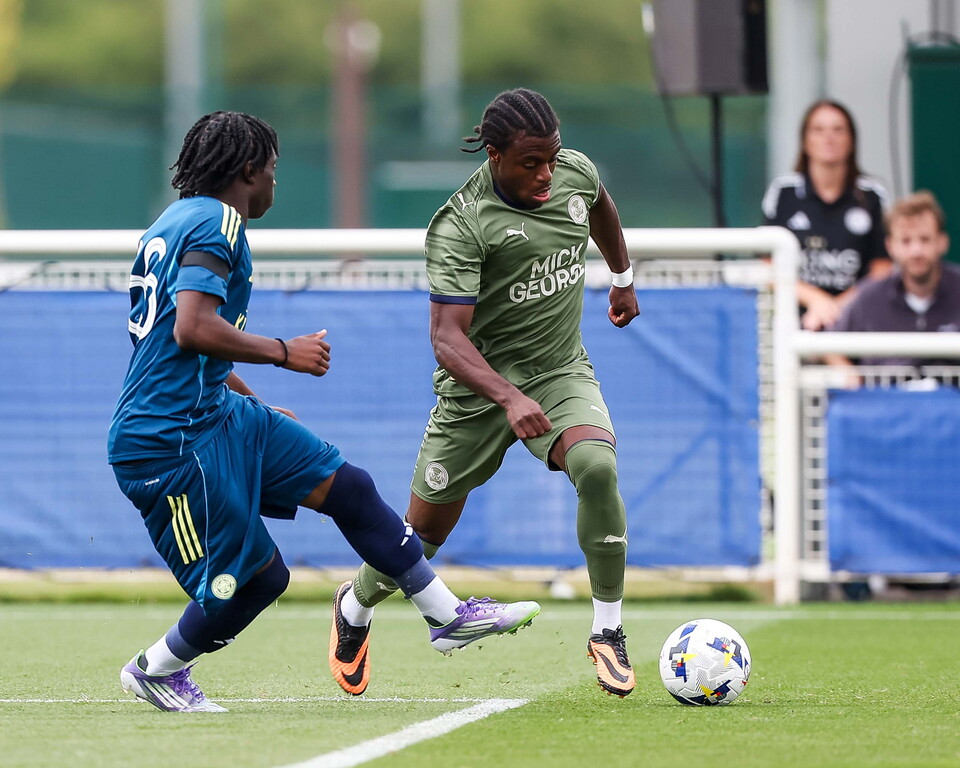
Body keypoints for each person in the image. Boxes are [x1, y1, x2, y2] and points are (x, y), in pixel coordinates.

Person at [108, 111, 540, 713]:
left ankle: (447, 616)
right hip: (169, 442)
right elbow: (191, 329)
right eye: (272, 169)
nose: (275, 182)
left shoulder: (174, 220)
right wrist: (284, 352)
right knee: (256, 581)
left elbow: (173, 344)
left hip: (215, 414)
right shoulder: (216, 222)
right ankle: (157, 668)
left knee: (349, 488)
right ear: (248, 170)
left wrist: (250, 403)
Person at [328, 88, 641, 698]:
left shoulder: (573, 173)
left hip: (557, 371)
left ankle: (608, 630)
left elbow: (599, 204)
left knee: (597, 466)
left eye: (552, 158)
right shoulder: (462, 225)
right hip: (475, 392)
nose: (546, 174)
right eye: (531, 163)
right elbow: (446, 338)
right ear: (494, 156)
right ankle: (355, 603)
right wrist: (508, 397)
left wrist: (622, 277)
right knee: (421, 538)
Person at [762, 99, 892, 331]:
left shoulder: (872, 194)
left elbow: (882, 271)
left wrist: (835, 308)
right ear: (805, 141)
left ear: (852, 140)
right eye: (819, 129)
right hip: (795, 322)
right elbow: (767, 266)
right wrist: (815, 300)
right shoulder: (784, 192)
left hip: (856, 322)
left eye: (838, 129)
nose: (829, 137)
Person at [827, 190, 960, 371]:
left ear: (942, 242)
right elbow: (828, 345)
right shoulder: (869, 297)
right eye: (906, 241)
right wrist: (850, 376)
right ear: (890, 246)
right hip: (884, 389)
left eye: (925, 239)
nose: (916, 251)